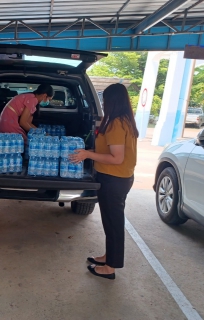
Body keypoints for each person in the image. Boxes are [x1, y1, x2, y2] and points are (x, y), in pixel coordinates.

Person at [70, 83, 138, 280]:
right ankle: (109, 257)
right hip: (118, 177)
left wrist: (87, 154)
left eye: (105, 99)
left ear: (112, 101)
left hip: (114, 179)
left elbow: (117, 158)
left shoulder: (117, 123)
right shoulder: (125, 120)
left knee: (114, 223)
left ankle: (110, 268)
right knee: (110, 222)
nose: (103, 103)